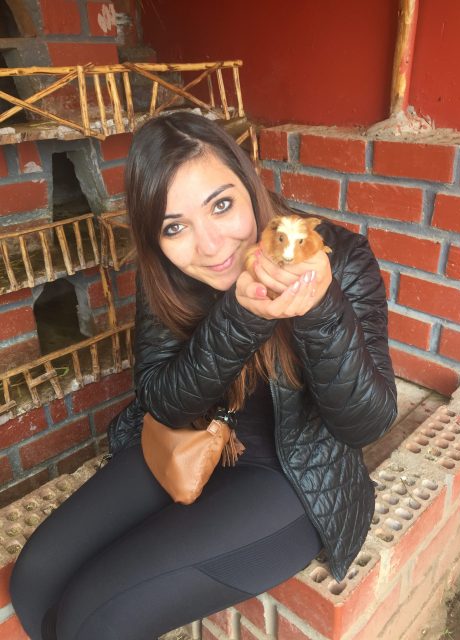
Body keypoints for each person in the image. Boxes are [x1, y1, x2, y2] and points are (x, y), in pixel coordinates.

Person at [10, 111, 397, 640]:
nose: (211, 246)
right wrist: (241, 318)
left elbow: (366, 424)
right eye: (175, 227)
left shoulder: (340, 259)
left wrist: (318, 308)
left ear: (249, 184)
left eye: (221, 205)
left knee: (94, 617)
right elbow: (162, 401)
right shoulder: (170, 273)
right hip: (194, 442)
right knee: (36, 579)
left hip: (294, 475)